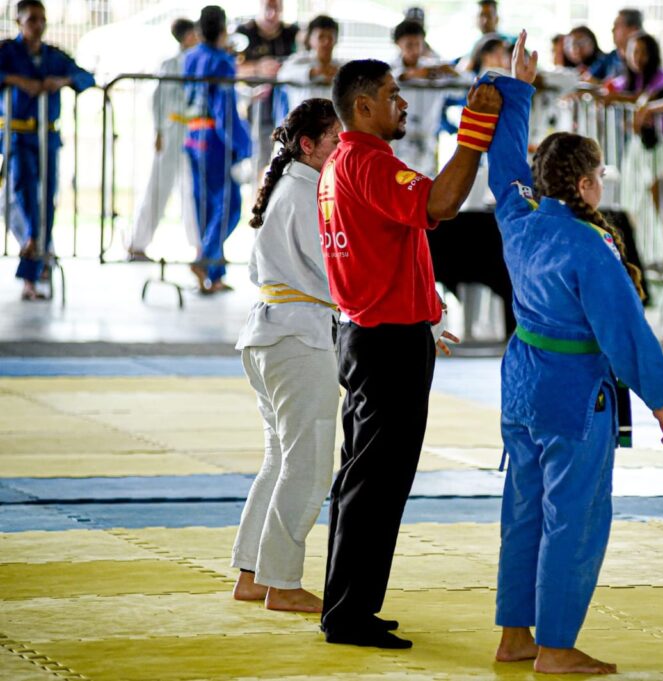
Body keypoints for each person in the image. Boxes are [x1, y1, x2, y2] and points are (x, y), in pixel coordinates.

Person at [487, 32, 663, 675]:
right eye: (599, 174)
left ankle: (516, 635)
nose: (603, 183)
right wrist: (659, 398)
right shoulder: (590, 248)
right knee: (572, 519)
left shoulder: (519, 219)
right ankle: (556, 648)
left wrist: (517, 89)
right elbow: (625, 331)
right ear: (583, 183)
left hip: (521, 384)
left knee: (522, 510)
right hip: (573, 395)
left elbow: (504, 164)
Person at [317, 60, 502, 648]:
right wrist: (474, 130)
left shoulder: (341, 165)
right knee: (376, 482)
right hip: (386, 341)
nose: (404, 105)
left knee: (361, 479)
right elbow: (442, 203)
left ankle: (346, 605)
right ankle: (348, 614)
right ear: (364, 106)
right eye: (394, 96)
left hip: (368, 334)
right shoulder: (367, 163)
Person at [231, 98, 341, 614]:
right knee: (311, 465)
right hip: (298, 339)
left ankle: (252, 574)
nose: (341, 148)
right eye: (335, 140)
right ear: (308, 145)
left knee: (280, 460)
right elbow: (337, 275)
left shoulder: (291, 188)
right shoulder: (308, 194)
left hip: (267, 334)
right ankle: (281, 582)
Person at [0, 0, 95, 301]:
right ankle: (32, 247)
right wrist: (17, 81)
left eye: (42, 19)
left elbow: (86, 77)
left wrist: (63, 81)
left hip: (47, 138)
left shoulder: (53, 56)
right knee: (24, 192)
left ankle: (35, 252)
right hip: (18, 136)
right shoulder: (7, 53)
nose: (37, 26)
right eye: (31, 20)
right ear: (18, 22)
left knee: (47, 199)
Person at [184, 5, 253, 293]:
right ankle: (204, 260)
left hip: (192, 135)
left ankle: (215, 274)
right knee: (230, 206)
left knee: (205, 205)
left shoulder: (190, 57)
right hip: (215, 139)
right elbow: (225, 112)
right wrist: (243, 145)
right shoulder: (222, 62)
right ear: (224, 30)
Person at [124, 18, 200, 263]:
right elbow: (157, 100)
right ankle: (137, 242)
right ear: (187, 36)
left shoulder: (197, 62)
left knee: (192, 190)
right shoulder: (170, 64)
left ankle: (199, 247)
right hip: (171, 130)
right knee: (158, 186)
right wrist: (158, 130)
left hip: (192, 132)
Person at [389, 20, 466, 176]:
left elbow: (461, 89)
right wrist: (411, 75)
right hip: (399, 141)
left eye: (418, 44)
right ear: (398, 44)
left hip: (428, 139)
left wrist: (454, 72)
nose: (415, 50)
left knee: (426, 185)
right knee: (398, 182)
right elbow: (387, 82)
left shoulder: (433, 70)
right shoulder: (389, 69)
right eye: (409, 45)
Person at [235, 0, 298, 170]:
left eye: (276, 8)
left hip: (288, 108)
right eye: (268, 8)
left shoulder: (292, 33)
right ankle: (259, 193)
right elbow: (232, 68)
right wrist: (258, 68)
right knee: (260, 158)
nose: (272, 14)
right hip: (255, 108)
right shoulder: (244, 32)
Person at [276, 15, 341, 117]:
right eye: (321, 37)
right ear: (310, 39)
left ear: (336, 40)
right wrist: (313, 72)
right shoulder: (298, 61)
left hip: (333, 123)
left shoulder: (341, 67)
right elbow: (281, 74)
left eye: (330, 37)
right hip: (302, 122)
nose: (326, 42)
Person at [601, 33, 663, 104]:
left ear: (653, 55)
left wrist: (617, 97)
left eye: (644, 53)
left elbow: (649, 97)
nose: (638, 58)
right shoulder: (629, 77)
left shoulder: (662, 78)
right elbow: (612, 87)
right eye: (635, 52)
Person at [584, 8, 642, 82]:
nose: (613, 30)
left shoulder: (642, 61)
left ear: (633, 30)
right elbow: (588, 78)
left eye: (617, 25)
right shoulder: (610, 57)